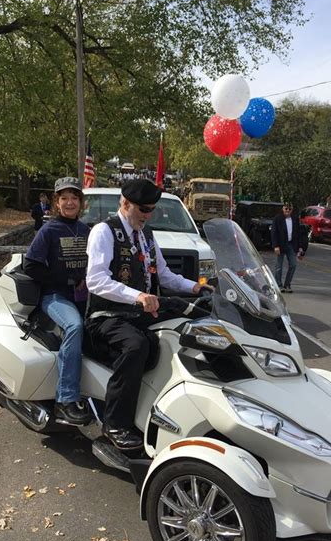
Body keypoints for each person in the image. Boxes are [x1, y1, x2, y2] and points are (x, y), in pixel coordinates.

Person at [85, 179, 211, 451]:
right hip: (107, 315)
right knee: (136, 346)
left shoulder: (146, 234)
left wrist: (195, 287)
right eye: (143, 209)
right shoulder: (104, 232)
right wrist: (138, 296)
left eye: (152, 209)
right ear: (125, 203)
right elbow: (95, 280)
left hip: (140, 312)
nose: (148, 215)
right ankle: (115, 424)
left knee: (193, 324)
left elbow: (163, 275)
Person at [24, 177, 91, 425]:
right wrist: (67, 280)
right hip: (55, 296)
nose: (70, 202)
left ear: (81, 203)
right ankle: (66, 399)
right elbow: (31, 265)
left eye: (74, 198)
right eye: (64, 198)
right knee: (74, 326)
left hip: (84, 298)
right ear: (56, 202)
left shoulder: (87, 231)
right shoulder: (49, 230)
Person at [271, 203, 305, 293]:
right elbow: (274, 233)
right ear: (283, 209)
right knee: (279, 266)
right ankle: (278, 285)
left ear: (292, 210)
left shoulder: (295, 219)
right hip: (280, 244)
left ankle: (287, 284)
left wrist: (300, 247)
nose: (287, 211)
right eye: (286, 209)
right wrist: (275, 246)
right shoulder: (278, 219)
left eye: (289, 209)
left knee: (293, 265)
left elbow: (298, 234)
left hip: (291, 244)